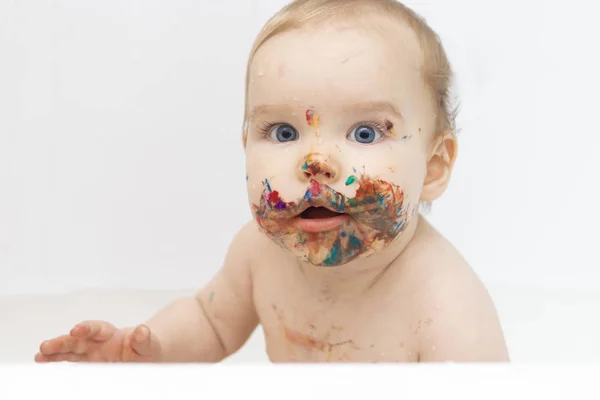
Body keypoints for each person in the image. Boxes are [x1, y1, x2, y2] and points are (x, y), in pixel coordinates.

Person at [35, 0, 509, 363]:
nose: (316, 161)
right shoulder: (258, 255)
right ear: (245, 145)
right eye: (283, 132)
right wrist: (148, 349)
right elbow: (211, 323)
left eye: (365, 132)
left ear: (433, 166)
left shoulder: (447, 310)